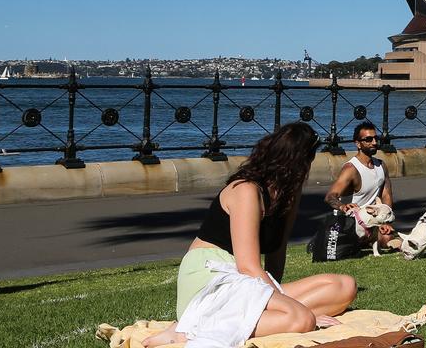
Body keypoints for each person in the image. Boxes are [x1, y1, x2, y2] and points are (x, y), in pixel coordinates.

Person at [144, 123, 357, 347]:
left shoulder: (289, 193)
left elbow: (277, 250)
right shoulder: (247, 190)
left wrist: (279, 302)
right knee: (301, 319)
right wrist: (293, 308)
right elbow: (249, 267)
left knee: (344, 286)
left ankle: (278, 318)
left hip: (247, 283)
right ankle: (187, 329)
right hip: (212, 276)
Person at [324, 121, 395, 248]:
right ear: (358, 144)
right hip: (352, 224)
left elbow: (387, 196)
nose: (374, 142)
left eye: (375, 138)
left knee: (388, 239)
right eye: (368, 139)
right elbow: (330, 196)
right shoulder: (351, 169)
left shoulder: (381, 165)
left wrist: (386, 221)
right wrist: (342, 206)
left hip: (373, 222)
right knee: (352, 245)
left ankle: (368, 240)